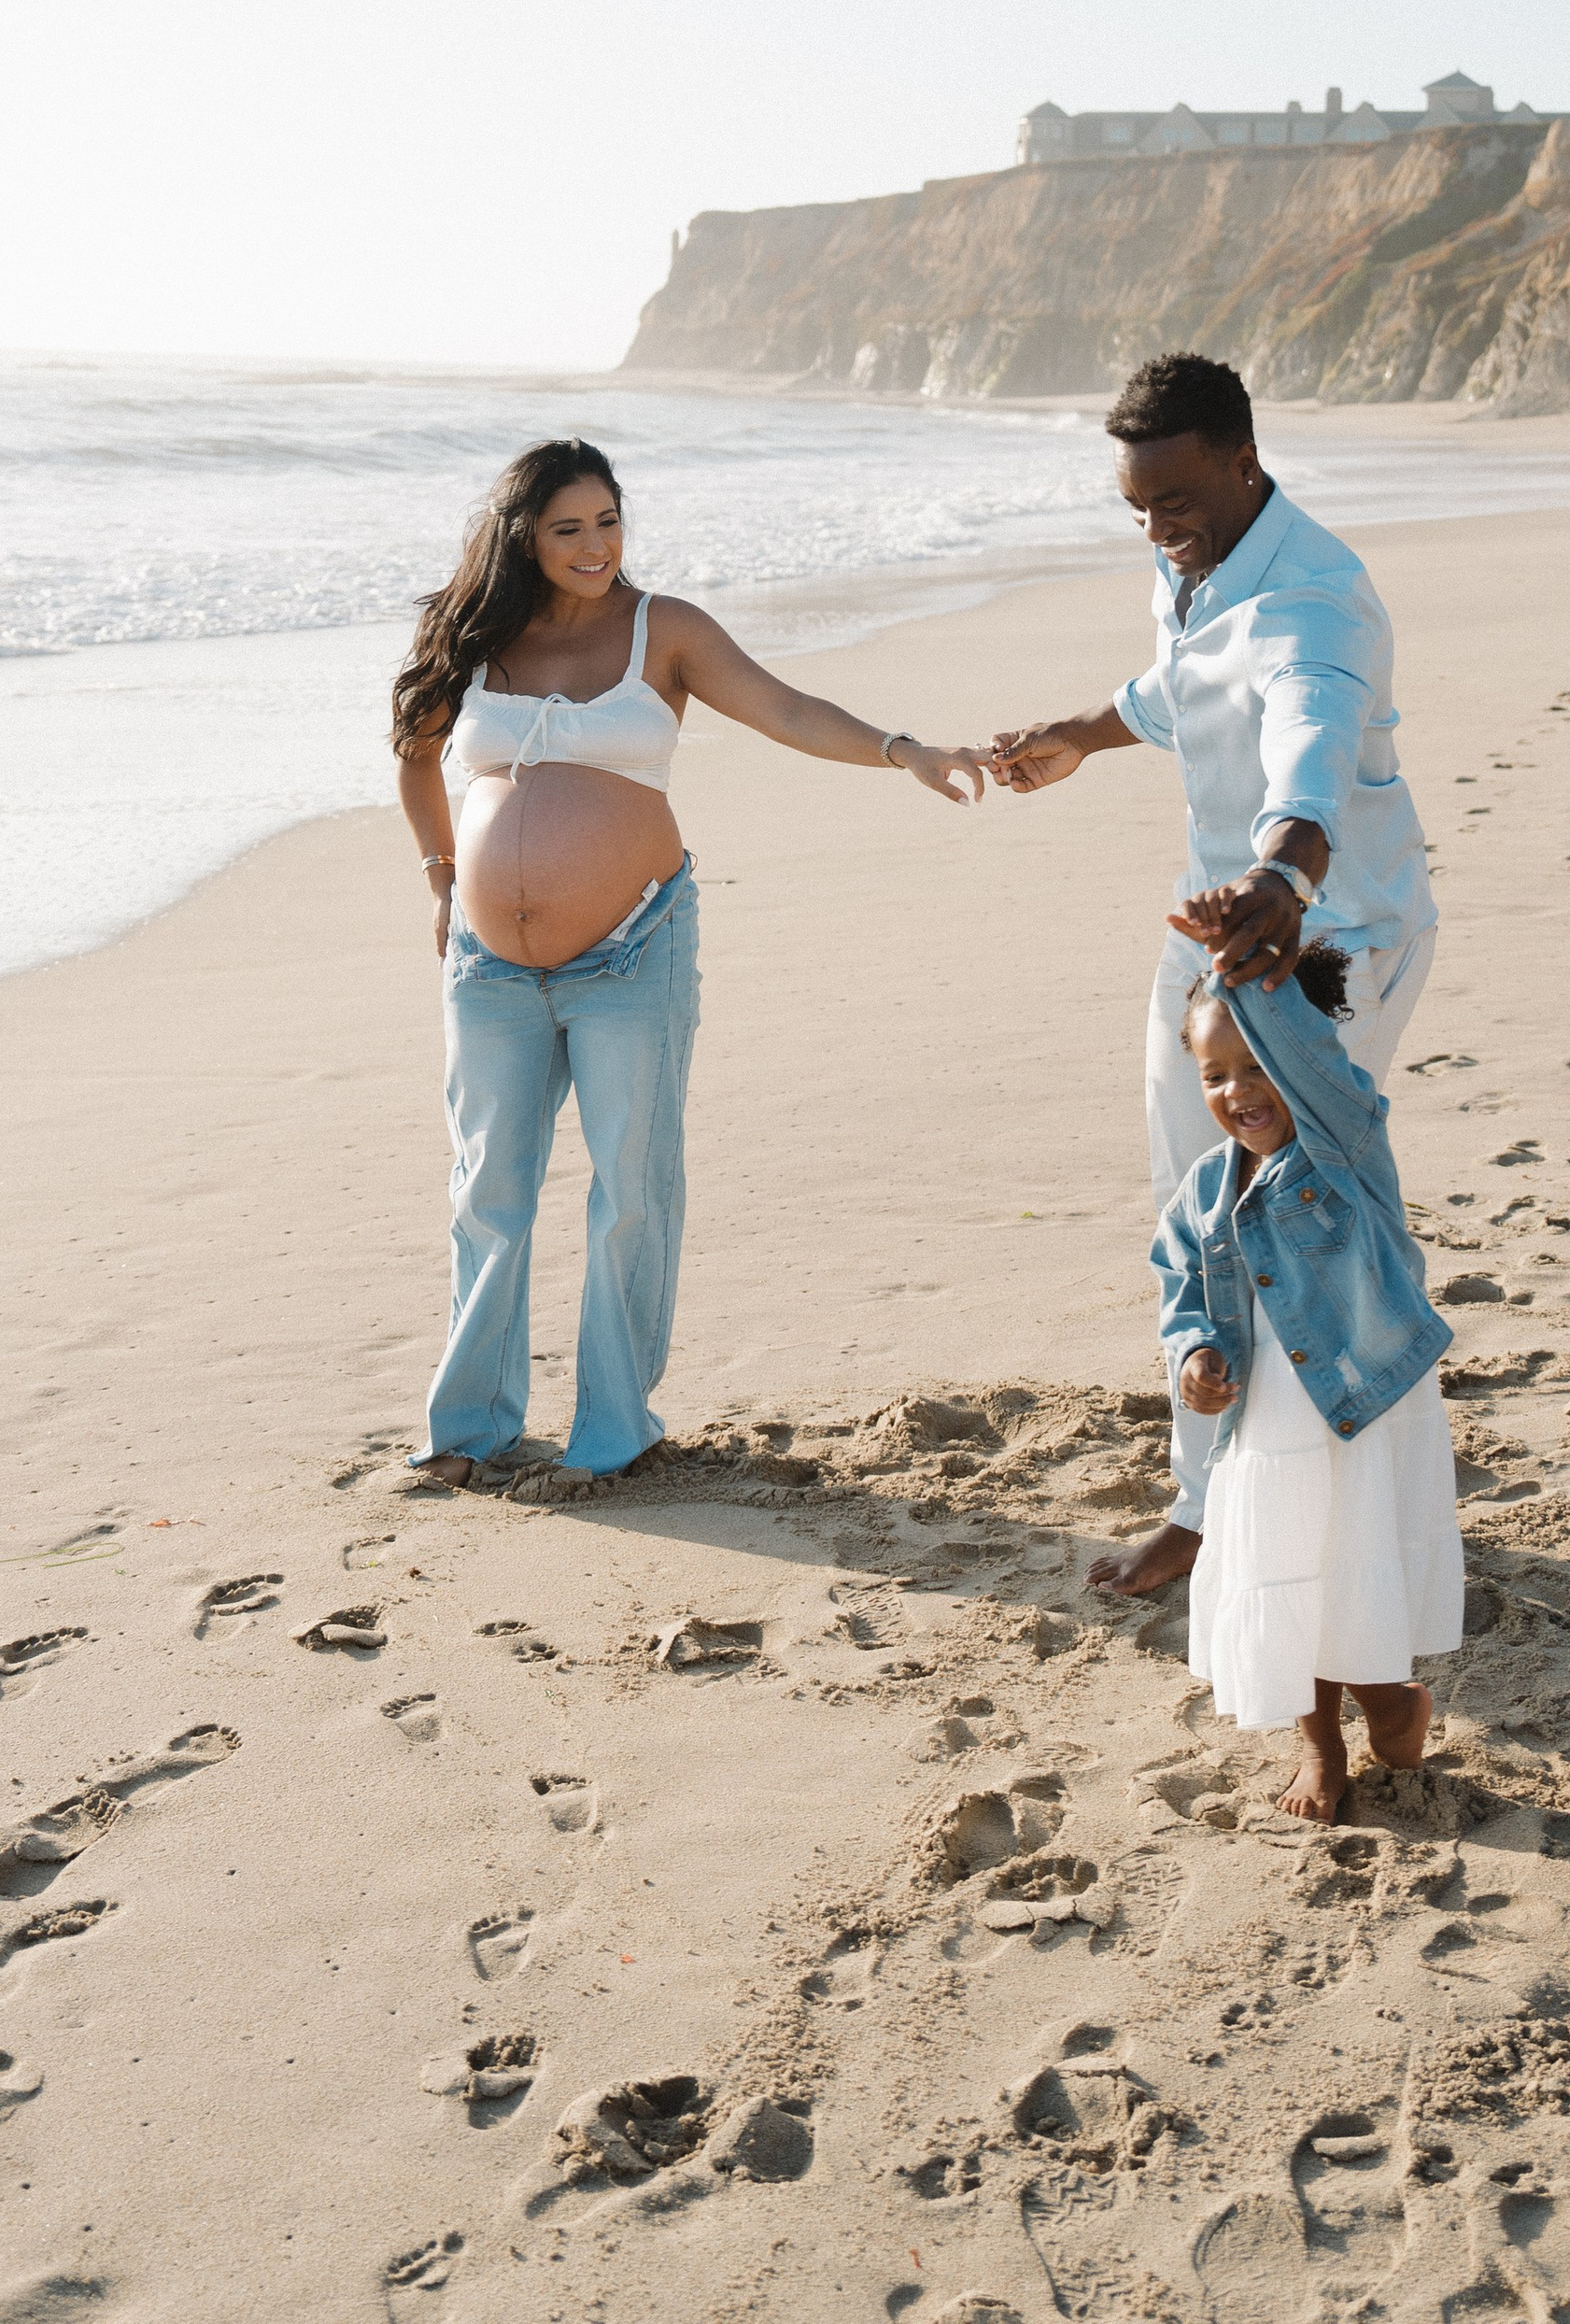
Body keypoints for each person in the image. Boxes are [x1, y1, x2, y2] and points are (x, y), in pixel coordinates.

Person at [392, 436, 985, 1500]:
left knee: (630, 1191)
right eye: (568, 527)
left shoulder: (663, 630)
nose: (594, 546)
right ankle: (467, 1430)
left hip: (634, 948)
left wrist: (910, 751)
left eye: (608, 521)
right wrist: (443, 875)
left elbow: (787, 709)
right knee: (489, 1190)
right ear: (525, 533)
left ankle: (610, 1437)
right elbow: (413, 748)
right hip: (489, 965)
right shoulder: (474, 632)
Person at [990, 350, 1436, 1594]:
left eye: (1176, 502)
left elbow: (1311, 737)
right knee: (1195, 1198)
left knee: (1290, 1206)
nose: (1158, 530)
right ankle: (1213, 1495)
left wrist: (1284, 879)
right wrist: (1077, 736)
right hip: (1220, 932)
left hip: (1326, 936)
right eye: (1136, 508)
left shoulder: (1318, 605)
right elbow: (1180, 684)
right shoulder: (1196, 558)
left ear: (1244, 460)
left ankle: (1320, 1493)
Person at [1156, 941, 1460, 1821]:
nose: (1239, 1092)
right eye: (1215, 1076)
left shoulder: (1345, 1142)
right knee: (1283, 1571)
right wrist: (1195, 1363)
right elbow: (1183, 1295)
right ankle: (1320, 1747)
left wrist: (1258, 971)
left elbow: (1311, 1064)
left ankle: (1393, 1702)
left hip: (1364, 1405)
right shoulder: (1203, 1192)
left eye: (1259, 1066)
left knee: (1354, 1572)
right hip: (1268, 1420)